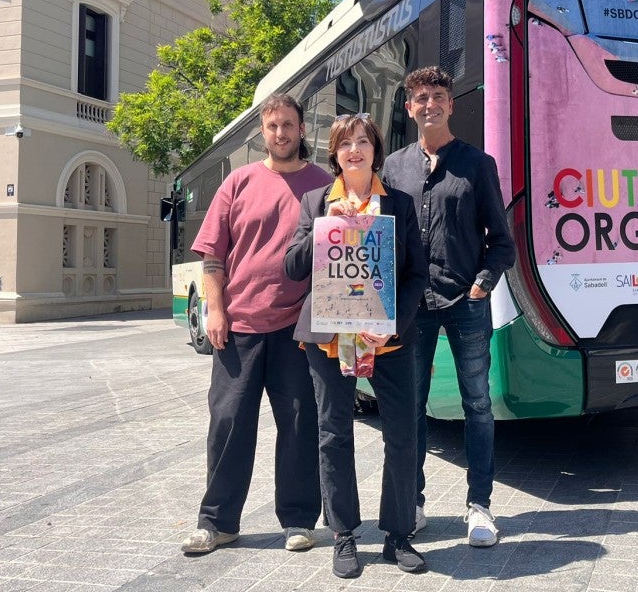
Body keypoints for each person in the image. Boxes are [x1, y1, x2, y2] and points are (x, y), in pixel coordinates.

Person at [179, 93, 333, 555]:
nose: (281, 133)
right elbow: (212, 256)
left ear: (301, 129)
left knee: (300, 423)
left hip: (297, 329)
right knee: (228, 423)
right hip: (239, 327)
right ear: (262, 133)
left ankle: (300, 519)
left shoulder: (323, 186)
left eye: (289, 125)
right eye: (273, 126)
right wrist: (216, 310)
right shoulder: (238, 183)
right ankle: (218, 522)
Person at [284, 114, 429, 578]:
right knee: (333, 435)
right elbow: (291, 266)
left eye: (363, 142)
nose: (354, 150)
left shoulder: (400, 205)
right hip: (330, 339)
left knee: (403, 435)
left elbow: (416, 276)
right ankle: (344, 535)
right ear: (335, 153)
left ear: (375, 150)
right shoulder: (314, 201)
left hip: (387, 341)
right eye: (345, 143)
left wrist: (393, 324)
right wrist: (328, 225)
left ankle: (399, 534)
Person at [382, 66, 516, 547]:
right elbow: (380, 236)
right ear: (409, 106)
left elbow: (503, 242)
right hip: (413, 307)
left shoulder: (477, 165)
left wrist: (482, 283)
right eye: (421, 97)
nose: (430, 104)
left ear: (451, 104)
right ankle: (412, 503)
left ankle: (479, 506)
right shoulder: (392, 167)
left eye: (439, 95)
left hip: (465, 301)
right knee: (411, 406)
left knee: (478, 404)